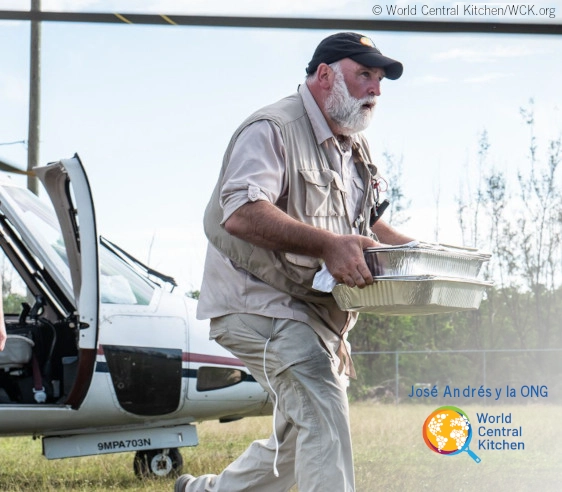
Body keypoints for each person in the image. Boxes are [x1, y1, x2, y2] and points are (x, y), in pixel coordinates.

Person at [176, 32, 415, 492]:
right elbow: (241, 213)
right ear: (325, 75)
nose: (376, 90)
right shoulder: (272, 128)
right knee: (323, 409)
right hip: (259, 304)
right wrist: (328, 245)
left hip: (313, 312)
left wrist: (419, 255)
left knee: (297, 436)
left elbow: (364, 225)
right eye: (364, 74)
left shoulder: (353, 148)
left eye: (380, 79)